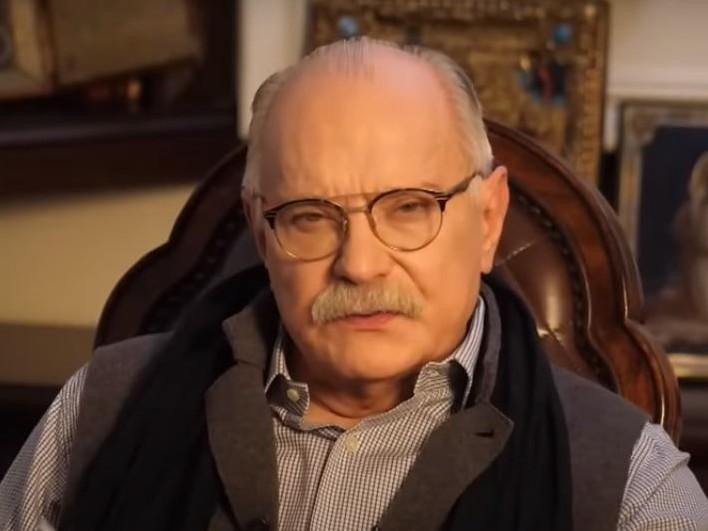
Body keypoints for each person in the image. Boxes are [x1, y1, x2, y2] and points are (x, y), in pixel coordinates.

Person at [1, 37, 707, 531]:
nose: (360, 265)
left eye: (409, 208)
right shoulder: (99, 408)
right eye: (310, 217)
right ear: (261, 230)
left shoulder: (632, 488)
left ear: (489, 220)